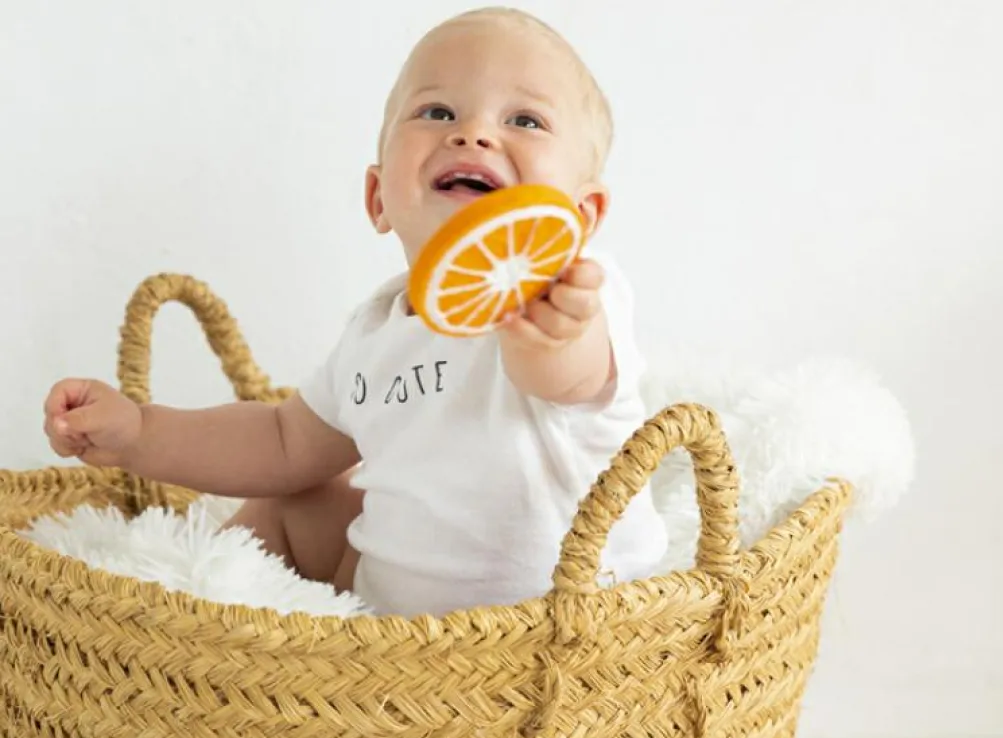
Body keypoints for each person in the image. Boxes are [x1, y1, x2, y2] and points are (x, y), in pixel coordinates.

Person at [43, 6, 667, 618]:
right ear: (378, 199)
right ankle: (205, 648)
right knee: (287, 503)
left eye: (525, 120)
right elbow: (284, 441)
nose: (473, 133)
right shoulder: (375, 328)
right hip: (386, 620)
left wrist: (551, 334)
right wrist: (140, 434)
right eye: (437, 111)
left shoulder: (575, 292)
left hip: (557, 623)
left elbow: (566, 378)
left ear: (581, 217)